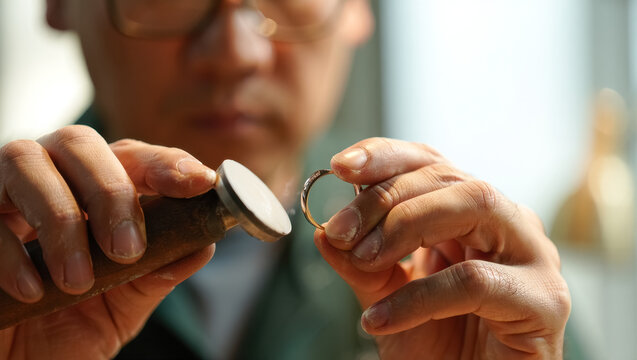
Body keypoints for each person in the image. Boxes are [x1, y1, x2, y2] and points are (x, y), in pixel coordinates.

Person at [0, 0, 571, 359]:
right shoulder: (13, 273)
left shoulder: (470, 278)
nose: (234, 51)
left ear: (356, 9)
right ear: (59, 5)